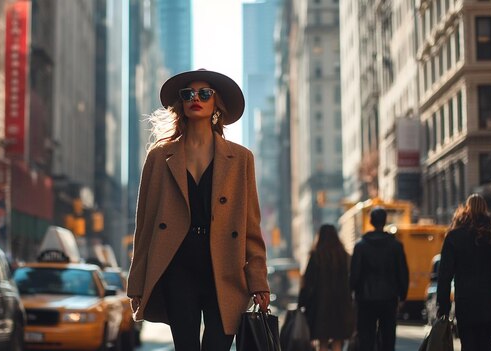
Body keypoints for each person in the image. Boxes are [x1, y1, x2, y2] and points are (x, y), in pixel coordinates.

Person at [126, 69, 271, 351]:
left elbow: (251, 227)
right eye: (188, 94)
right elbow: (144, 226)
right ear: (180, 103)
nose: (196, 98)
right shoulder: (159, 157)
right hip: (177, 266)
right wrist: (137, 283)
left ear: (216, 104)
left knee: (218, 346)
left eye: (204, 93)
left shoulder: (241, 159)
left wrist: (258, 281)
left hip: (226, 268)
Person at [436, 193, 491, 351]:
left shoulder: (454, 237)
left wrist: (443, 307)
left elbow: (445, 276)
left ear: (467, 209)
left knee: (468, 346)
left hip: (466, 306)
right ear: (486, 210)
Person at [350, 207, 409, 351]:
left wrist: (352, 292)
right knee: (388, 336)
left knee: (366, 337)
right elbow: (403, 272)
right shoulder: (395, 246)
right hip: (389, 297)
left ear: (371, 221)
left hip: (365, 298)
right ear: (384, 221)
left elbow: (354, 274)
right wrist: (402, 296)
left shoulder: (360, 246)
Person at [298, 224, 353, 351]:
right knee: (337, 341)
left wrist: (302, 302)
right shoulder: (344, 257)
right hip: (341, 305)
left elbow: (308, 283)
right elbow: (351, 281)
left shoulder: (316, 256)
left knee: (322, 341)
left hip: (320, 306)